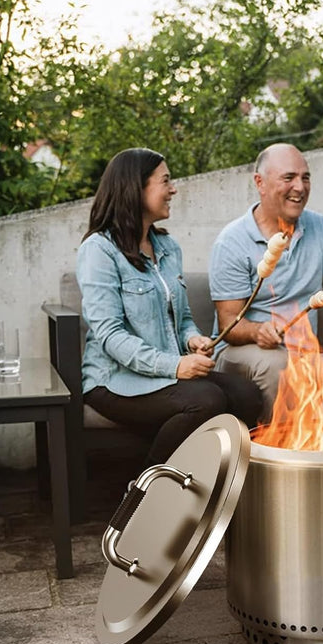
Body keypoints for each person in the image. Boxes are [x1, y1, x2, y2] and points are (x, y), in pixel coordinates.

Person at [77, 148, 263, 468]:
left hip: (165, 374)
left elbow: (183, 318)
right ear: (136, 188)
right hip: (115, 380)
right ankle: (147, 494)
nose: (173, 189)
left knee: (247, 394)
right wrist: (175, 365)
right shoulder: (99, 251)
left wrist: (192, 339)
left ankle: (207, 482)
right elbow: (109, 335)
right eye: (166, 181)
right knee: (206, 401)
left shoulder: (167, 247)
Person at [209, 143, 323, 417]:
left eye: (305, 177)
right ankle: (279, 453)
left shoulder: (320, 227)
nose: (300, 187)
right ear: (261, 183)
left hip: (303, 354)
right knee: (279, 365)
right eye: (289, 178)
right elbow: (228, 323)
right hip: (242, 352)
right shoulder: (231, 241)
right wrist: (257, 331)